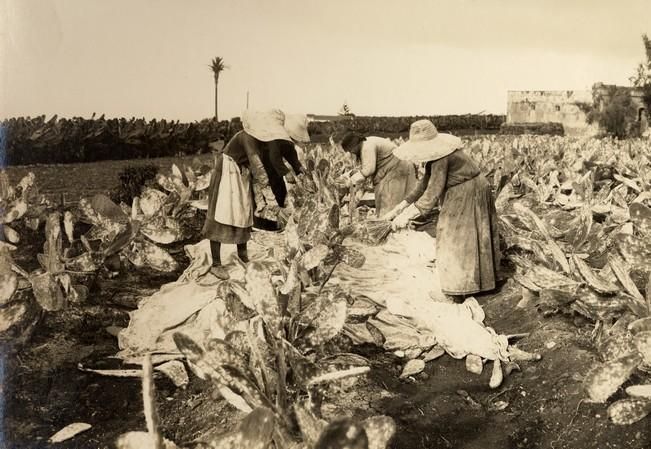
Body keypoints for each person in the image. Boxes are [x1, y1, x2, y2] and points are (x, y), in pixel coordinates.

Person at [382, 119, 500, 299]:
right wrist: (399, 208)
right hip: (465, 189)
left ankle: (459, 288)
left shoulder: (441, 157)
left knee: (453, 237)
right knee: (465, 235)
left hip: (468, 190)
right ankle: (475, 283)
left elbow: (432, 193)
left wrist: (406, 216)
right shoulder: (435, 156)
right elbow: (423, 185)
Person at [202, 109, 309, 279]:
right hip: (227, 170)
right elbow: (258, 165)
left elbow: (279, 162)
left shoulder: (265, 140)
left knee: (244, 213)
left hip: (242, 173)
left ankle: (242, 255)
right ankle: (216, 263)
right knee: (222, 214)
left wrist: (300, 177)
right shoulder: (247, 136)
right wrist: (271, 198)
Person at [340, 132, 417, 217]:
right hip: (390, 170)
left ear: (353, 145)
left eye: (350, 150)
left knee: (389, 204)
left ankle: (390, 225)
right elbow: (364, 170)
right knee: (382, 202)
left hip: (396, 169)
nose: (351, 152)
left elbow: (368, 170)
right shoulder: (366, 144)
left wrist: (350, 182)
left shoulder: (367, 146)